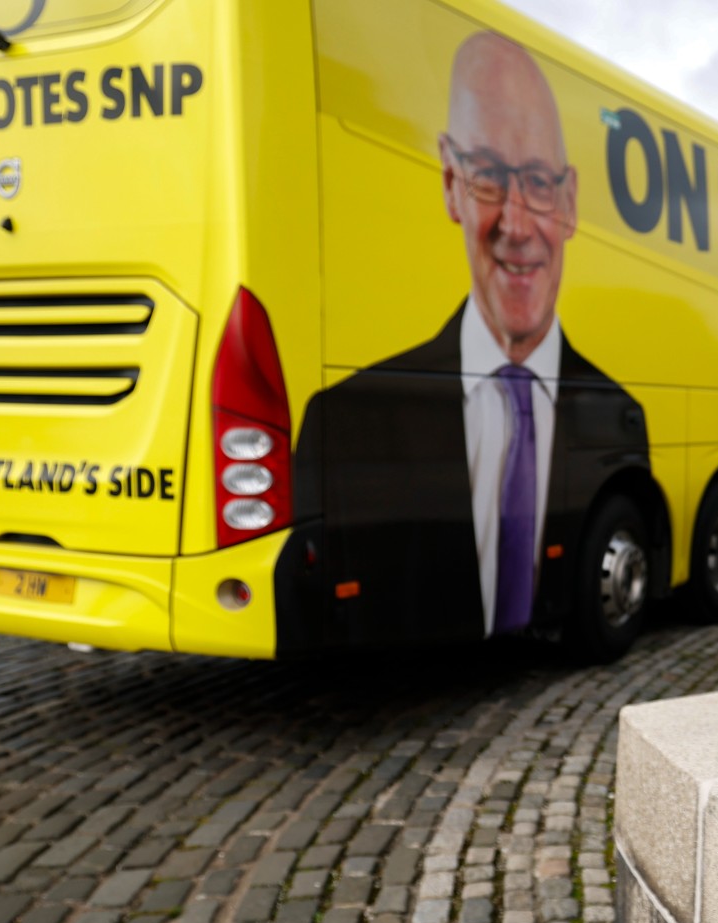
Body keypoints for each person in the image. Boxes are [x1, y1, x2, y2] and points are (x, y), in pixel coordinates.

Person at [277, 31, 647, 653]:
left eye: (535, 181)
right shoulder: (343, 417)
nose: (516, 223)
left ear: (571, 201)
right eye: (487, 179)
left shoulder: (622, 412)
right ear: (449, 180)